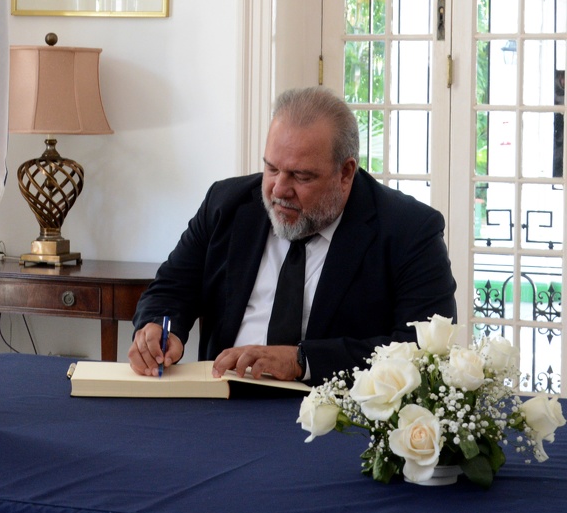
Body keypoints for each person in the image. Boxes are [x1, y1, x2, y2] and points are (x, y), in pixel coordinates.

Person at [129, 86, 458, 384]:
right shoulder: (226, 204)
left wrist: (304, 361)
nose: (279, 190)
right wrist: (159, 328)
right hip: (223, 401)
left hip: (336, 416)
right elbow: (172, 288)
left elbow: (422, 349)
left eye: (301, 176)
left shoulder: (408, 230)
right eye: (272, 168)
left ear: (345, 173)